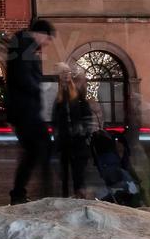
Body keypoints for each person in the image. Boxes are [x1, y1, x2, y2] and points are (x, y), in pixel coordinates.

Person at [6, 18, 55, 204]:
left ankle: (26, 191)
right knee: (37, 149)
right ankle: (29, 192)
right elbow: (23, 77)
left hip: (28, 110)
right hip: (24, 110)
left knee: (38, 149)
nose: (48, 43)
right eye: (48, 38)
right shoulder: (24, 46)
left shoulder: (27, 47)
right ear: (40, 34)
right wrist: (39, 88)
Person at [53, 70, 96, 199]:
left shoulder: (79, 99)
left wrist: (83, 131)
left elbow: (87, 117)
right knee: (66, 173)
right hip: (66, 141)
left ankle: (79, 195)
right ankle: (69, 196)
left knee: (79, 173)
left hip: (78, 142)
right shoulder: (61, 99)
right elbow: (57, 119)